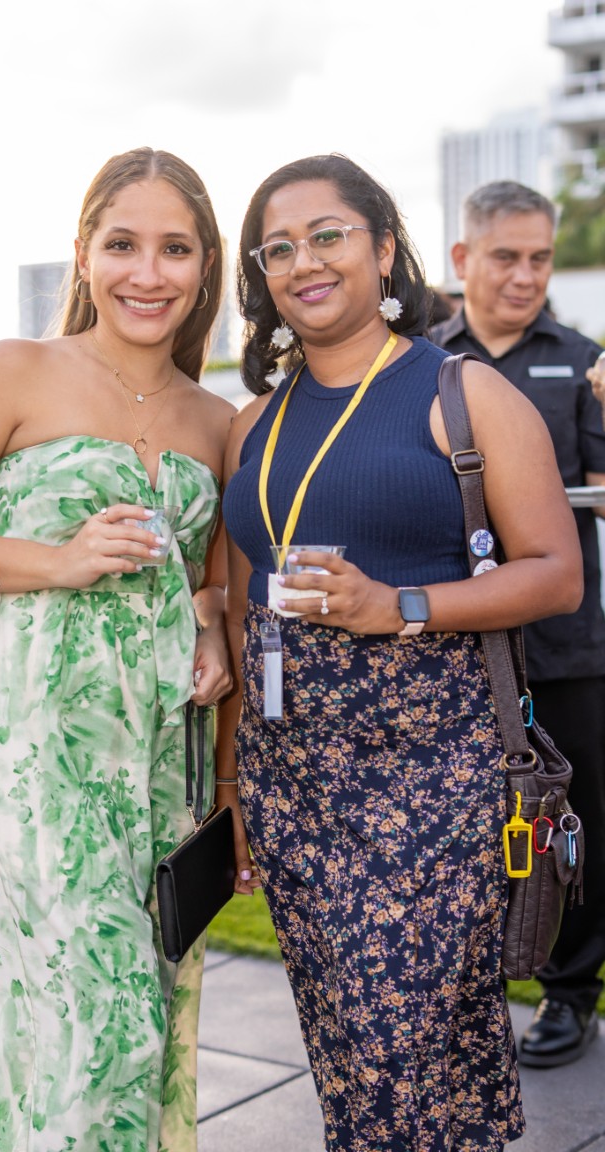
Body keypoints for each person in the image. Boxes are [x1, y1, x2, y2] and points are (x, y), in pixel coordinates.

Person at [215, 153, 583, 1152]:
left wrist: (398, 607)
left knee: (396, 1048)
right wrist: (235, 787)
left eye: (327, 235)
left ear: (383, 249)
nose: (304, 261)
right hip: (292, 782)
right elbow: (245, 612)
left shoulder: (465, 393)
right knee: (351, 1048)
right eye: (278, 248)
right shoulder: (253, 425)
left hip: (429, 777)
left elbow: (557, 573)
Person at [0, 146, 236, 1152]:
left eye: (175, 249)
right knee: (88, 1013)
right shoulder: (15, 371)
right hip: (37, 733)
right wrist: (58, 561)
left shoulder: (220, 419)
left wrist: (211, 623)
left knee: (153, 995)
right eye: (123, 245)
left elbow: (214, 583)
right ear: (83, 253)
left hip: (163, 743)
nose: (147, 274)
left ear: (205, 266)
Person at [431, 180, 605, 1070]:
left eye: (541, 258)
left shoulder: (583, 363)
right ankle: (468, 994)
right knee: (463, 827)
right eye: (507, 256)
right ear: (463, 259)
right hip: (452, 644)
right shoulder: (418, 362)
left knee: (573, 825)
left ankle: (571, 994)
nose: (527, 275)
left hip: (566, 647)